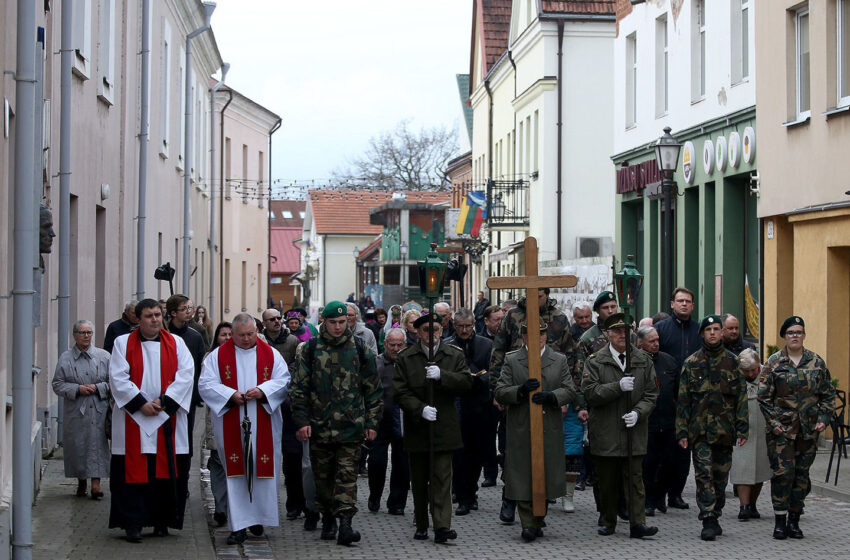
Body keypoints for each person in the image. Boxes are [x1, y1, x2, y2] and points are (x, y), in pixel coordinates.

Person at [290, 301, 383, 546]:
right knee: (323, 479)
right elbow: (298, 389)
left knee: (347, 477)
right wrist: (301, 421)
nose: (339, 327)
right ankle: (328, 517)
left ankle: (346, 524)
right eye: (333, 322)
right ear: (324, 322)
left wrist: (372, 422)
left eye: (342, 322)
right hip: (319, 426)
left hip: (352, 427)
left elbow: (373, 389)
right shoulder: (310, 349)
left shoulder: (360, 348)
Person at [489, 287, 580, 524]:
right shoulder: (513, 316)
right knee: (515, 454)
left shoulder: (559, 318)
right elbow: (499, 352)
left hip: (550, 388)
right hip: (518, 391)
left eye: (539, 295)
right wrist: (499, 393)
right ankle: (511, 500)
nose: (534, 299)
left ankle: (539, 510)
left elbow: (570, 357)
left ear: (546, 294)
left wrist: (560, 399)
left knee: (546, 457)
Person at [107, 299, 195, 543]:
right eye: (148, 315)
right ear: (138, 318)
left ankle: (161, 521)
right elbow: (117, 377)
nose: (155, 319)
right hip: (132, 419)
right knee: (133, 474)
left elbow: (186, 375)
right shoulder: (122, 343)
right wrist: (139, 404)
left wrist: (164, 402)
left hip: (167, 417)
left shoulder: (176, 343)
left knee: (163, 473)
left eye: (158, 314)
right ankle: (132, 523)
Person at [199, 313, 290, 544]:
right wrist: (230, 395)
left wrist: (263, 391)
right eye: (241, 335)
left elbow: (283, 380)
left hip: (264, 422)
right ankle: (238, 526)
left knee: (262, 471)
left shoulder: (271, 354)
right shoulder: (218, 356)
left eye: (251, 334)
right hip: (232, 419)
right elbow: (206, 384)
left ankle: (259, 519)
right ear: (234, 333)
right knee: (236, 474)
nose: (247, 339)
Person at [393, 312, 473, 543]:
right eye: (427, 330)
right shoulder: (407, 357)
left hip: (444, 426)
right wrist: (419, 409)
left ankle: (441, 526)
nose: (431, 334)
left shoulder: (452, 355)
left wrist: (443, 376)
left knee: (441, 478)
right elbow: (400, 391)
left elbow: (466, 382)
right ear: (418, 332)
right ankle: (421, 523)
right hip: (418, 426)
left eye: (436, 329)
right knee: (419, 479)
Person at [581, 313, 659, 539]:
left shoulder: (643, 360)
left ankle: (638, 523)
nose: (622, 336)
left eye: (626, 331)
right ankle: (607, 520)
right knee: (607, 480)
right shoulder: (595, 361)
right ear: (607, 334)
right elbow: (590, 393)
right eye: (616, 331)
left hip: (633, 430)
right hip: (605, 430)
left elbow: (651, 394)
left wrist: (638, 412)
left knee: (634, 480)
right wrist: (617, 386)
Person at [758, 315, 835, 540]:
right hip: (781, 432)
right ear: (784, 336)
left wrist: (823, 418)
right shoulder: (774, 363)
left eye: (799, 332)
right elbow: (763, 398)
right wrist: (774, 424)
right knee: (783, 474)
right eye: (791, 333)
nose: (795, 336)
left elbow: (828, 394)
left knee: (801, 476)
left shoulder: (816, 362)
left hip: (808, 431)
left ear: (804, 335)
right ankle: (780, 521)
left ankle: (794, 520)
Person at [675, 314, 748, 541]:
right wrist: (682, 432)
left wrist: (743, 429)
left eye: (717, 329)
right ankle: (707, 518)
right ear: (703, 334)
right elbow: (684, 400)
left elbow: (741, 399)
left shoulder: (733, 362)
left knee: (720, 478)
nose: (713, 333)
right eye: (709, 330)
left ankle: (716, 513)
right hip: (700, 432)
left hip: (725, 432)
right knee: (703, 475)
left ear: (722, 332)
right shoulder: (691, 363)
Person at [52, 319, 111, 499]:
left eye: (89, 333)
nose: (86, 336)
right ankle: (81, 481)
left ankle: (96, 485)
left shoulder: (104, 356)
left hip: (99, 409)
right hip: (76, 410)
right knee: (78, 445)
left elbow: (115, 382)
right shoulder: (65, 358)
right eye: (83, 333)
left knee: (98, 445)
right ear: (75, 335)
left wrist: (98, 388)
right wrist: (77, 389)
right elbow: (57, 384)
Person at [445, 308, 495, 515]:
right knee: (459, 454)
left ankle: (471, 492)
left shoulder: (486, 344)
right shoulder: (448, 345)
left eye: (468, 326)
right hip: (456, 404)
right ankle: (462, 495)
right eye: (460, 326)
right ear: (454, 326)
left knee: (477, 453)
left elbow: (495, 370)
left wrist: (481, 378)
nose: (465, 330)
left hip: (480, 404)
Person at [655, 286, 701, 510]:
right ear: (672, 304)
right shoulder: (661, 329)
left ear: (693, 305)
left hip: (691, 399)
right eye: (680, 301)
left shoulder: (699, 330)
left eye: (688, 301)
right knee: (665, 451)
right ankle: (658, 495)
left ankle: (676, 494)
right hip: (666, 397)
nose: (684, 304)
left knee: (684, 452)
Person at [636, 325, 680, 516]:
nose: (656, 344)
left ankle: (661, 495)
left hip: (669, 421)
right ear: (641, 342)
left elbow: (678, 391)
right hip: (648, 422)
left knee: (669, 462)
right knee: (648, 464)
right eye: (651, 341)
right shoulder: (637, 361)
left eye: (657, 340)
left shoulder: (668, 361)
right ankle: (648, 501)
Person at [367, 328, 410, 515]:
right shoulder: (375, 364)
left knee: (402, 463)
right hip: (380, 420)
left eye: (399, 345)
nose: (395, 348)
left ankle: (397, 502)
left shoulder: (410, 363)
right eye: (392, 344)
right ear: (385, 344)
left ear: (405, 345)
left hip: (403, 418)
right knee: (377, 461)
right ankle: (374, 495)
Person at [730, 348, 771, 521]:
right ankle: (743, 506)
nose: (751, 373)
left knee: (760, 468)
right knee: (742, 467)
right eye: (746, 371)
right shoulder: (734, 378)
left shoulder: (767, 375)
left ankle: (752, 504)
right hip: (741, 429)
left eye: (753, 370)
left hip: (763, 429)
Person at [166, 294, 206, 456]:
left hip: (188, 394)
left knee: (186, 434)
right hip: (166, 391)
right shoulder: (164, 335)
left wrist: (197, 394)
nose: (189, 312)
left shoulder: (195, 336)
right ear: (173, 313)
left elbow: (199, 367)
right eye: (184, 309)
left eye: (190, 308)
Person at [204, 322, 233, 527]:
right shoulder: (211, 358)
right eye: (223, 335)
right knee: (218, 465)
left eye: (231, 334)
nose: (227, 338)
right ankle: (221, 508)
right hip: (218, 418)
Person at [577, 291, 619, 358]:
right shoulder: (587, 338)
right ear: (597, 310)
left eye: (613, 307)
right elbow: (581, 366)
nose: (610, 311)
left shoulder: (627, 333)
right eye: (605, 308)